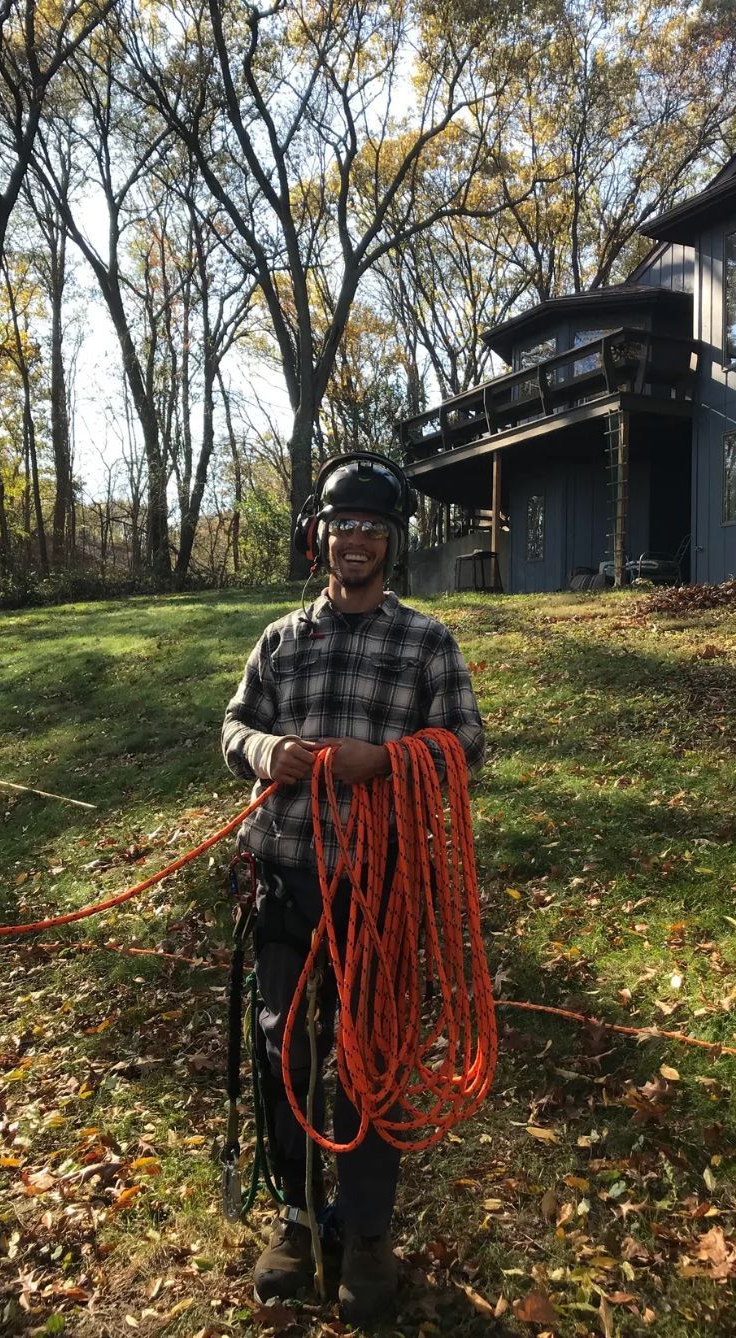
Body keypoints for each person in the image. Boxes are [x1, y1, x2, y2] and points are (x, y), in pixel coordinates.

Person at [221, 452, 484, 1326]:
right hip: (287, 882)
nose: (357, 541)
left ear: (393, 543)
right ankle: (296, 1218)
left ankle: (368, 1234)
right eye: (344, 527)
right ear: (318, 539)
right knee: (284, 1051)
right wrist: (265, 752)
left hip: (381, 891)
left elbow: (467, 746)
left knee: (373, 1065)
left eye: (373, 528)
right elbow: (234, 726)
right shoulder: (282, 641)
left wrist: (391, 761)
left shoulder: (428, 642)